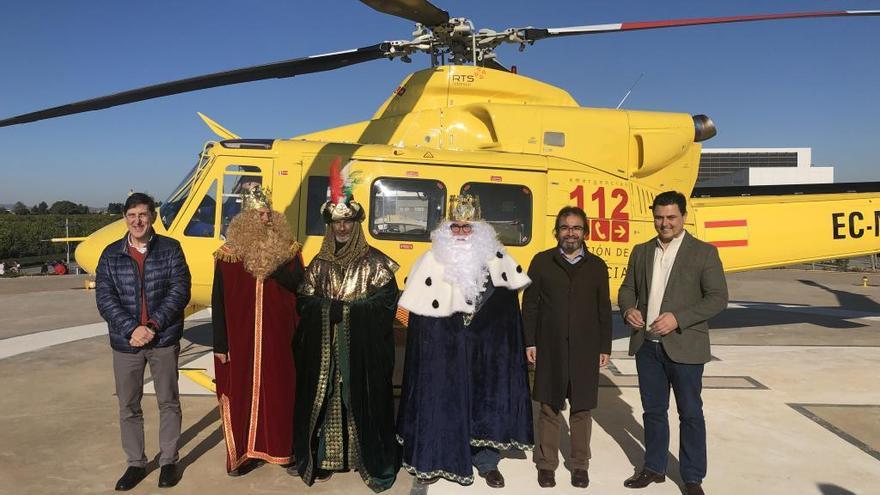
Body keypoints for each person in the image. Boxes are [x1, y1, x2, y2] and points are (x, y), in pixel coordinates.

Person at [397, 194, 533, 488]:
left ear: (479, 229)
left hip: (485, 351)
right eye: (456, 227)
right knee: (440, 401)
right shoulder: (430, 260)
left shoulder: (499, 261)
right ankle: (433, 457)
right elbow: (416, 312)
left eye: (467, 227)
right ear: (447, 229)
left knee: (486, 403)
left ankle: (486, 461)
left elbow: (508, 312)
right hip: (442, 351)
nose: (460, 233)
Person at [292, 162, 400, 492]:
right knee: (327, 399)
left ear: (356, 223)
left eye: (347, 221)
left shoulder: (377, 262)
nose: (342, 227)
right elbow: (304, 300)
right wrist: (328, 310)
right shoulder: (319, 264)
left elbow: (386, 302)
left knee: (362, 400)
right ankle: (326, 457)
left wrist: (350, 313)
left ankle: (363, 457)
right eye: (337, 222)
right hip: (326, 351)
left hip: (362, 355)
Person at [618, 191, 728, 495]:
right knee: (653, 411)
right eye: (659, 217)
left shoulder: (704, 252)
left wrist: (678, 318)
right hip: (647, 346)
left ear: (683, 216)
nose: (664, 223)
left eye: (671, 217)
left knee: (690, 413)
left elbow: (718, 298)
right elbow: (627, 289)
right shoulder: (641, 251)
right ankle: (654, 467)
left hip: (685, 346)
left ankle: (692, 477)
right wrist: (628, 309)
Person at [95, 192, 191, 491]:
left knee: (168, 402)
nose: (137, 220)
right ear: (125, 217)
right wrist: (132, 329)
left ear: (152, 218)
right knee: (128, 405)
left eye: (143, 215)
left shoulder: (171, 249)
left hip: (162, 339)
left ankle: (169, 461)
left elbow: (180, 291)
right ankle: (135, 463)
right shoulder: (111, 254)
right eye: (132, 215)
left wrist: (152, 325)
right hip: (126, 343)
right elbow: (105, 298)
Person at [211, 185, 303, 475]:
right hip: (242, 341)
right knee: (241, 393)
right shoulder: (228, 255)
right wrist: (220, 344)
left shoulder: (289, 250)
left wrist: (274, 263)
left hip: (280, 339)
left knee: (282, 393)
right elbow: (219, 301)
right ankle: (243, 453)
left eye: (267, 214)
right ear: (245, 219)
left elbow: (301, 289)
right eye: (258, 215)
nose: (264, 219)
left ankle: (283, 450)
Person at [522, 205, 612, 489]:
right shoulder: (542, 262)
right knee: (549, 405)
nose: (570, 233)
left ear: (585, 232)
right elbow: (531, 305)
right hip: (550, 346)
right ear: (557, 231)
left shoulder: (597, 266)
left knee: (582, 408)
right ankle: (546, 464)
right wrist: (530, 341)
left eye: (576, 228)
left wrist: (604, 346)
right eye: (565, 227)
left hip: (585, 348)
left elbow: (603, 309)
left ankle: (579, 464)